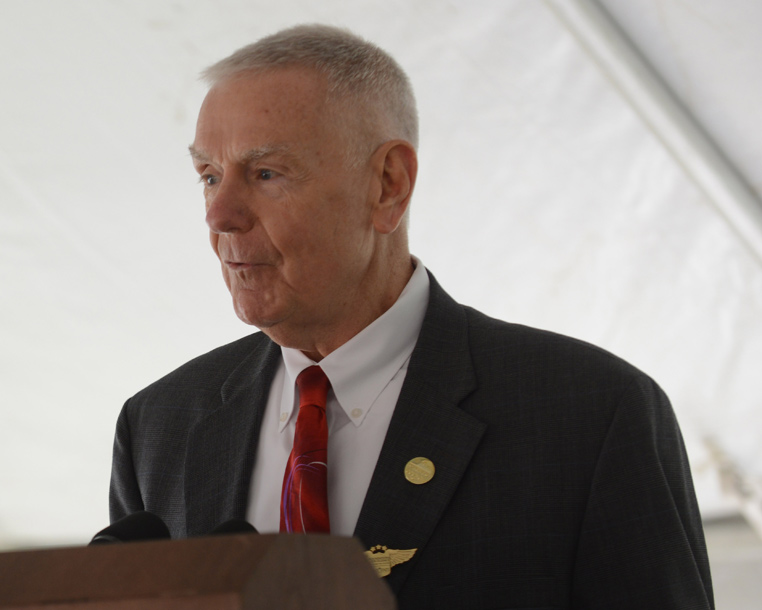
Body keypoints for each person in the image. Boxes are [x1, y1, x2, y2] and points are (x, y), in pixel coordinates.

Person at [108, 24, 712, 609]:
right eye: (208, 176)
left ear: (388, 185)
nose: (220, 215)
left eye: (266, 174)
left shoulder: (590, 413)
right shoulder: (160, 426)